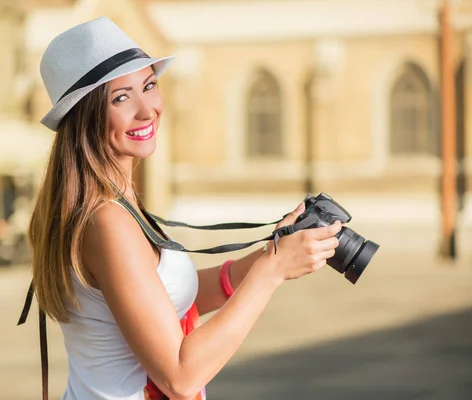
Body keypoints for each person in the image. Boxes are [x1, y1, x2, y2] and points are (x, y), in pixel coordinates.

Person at [27, 17, 341, 400]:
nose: (147, 110)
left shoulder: (112, 206)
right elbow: (180, 376)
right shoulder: (106, 220)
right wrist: (271, 271)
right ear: (85, 117)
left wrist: (272, 252)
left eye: (149, 86)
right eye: (121, 97)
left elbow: (163, 297)